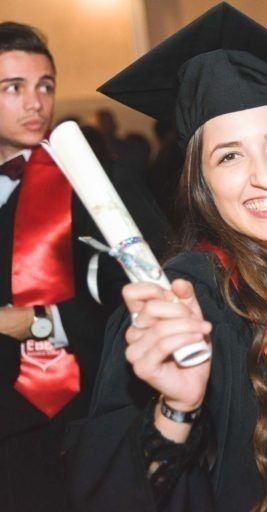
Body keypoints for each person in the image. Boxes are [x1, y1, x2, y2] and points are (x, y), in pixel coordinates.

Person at [64, 4, 267, 512]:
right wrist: (176, 410)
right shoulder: (181, 302)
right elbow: (107, 495)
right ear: (201, 182)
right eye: (230, 155)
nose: (265, 176)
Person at [0, 21, 130, 511]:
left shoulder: (85, 178)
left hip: (64, 420)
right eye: (13, 87)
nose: (35, 102)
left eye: (45, 86)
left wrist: (40, 320)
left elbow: (135, 286)